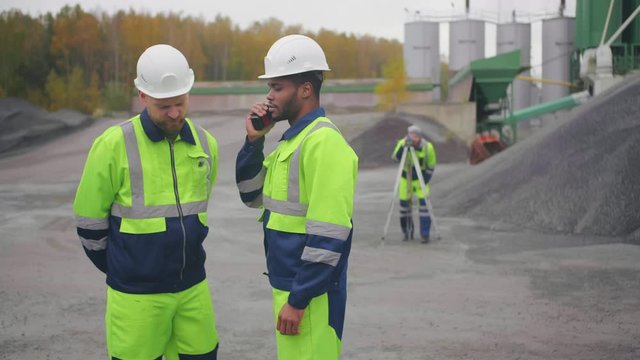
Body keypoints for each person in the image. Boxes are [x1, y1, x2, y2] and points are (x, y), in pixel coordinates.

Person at [73, 44, 220, 359]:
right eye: (164, 105)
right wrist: (126, 268)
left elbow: (198, 211)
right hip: (136, 297)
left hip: (193, 288)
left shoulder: (207, 145)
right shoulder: (112, 146)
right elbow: (88, 222)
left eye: (180, 103)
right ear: (142, 96)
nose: (175, 113)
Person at [235, 34, 358, 360]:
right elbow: (251, 196)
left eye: (277, 87)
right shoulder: (292, 141)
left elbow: (329, 233)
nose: (269, 96)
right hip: (291, 286)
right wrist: (253, 140)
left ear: (305, 89)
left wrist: (299, 300)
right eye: (270, 88)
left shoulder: (324, 144)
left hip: (311, 296)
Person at [391, 125, 437, 243]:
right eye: (411, 135)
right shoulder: (403, 143)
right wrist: (403, 147)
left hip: (421, 178)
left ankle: (425, 234)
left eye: (416, 136)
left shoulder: (428, 147)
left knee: (424, 206)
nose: (413, 138)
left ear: (420, 136)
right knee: (404, 207)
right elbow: (395, 158)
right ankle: (407, 232)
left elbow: (431, 165)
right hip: (406, 179)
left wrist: (425, 180)